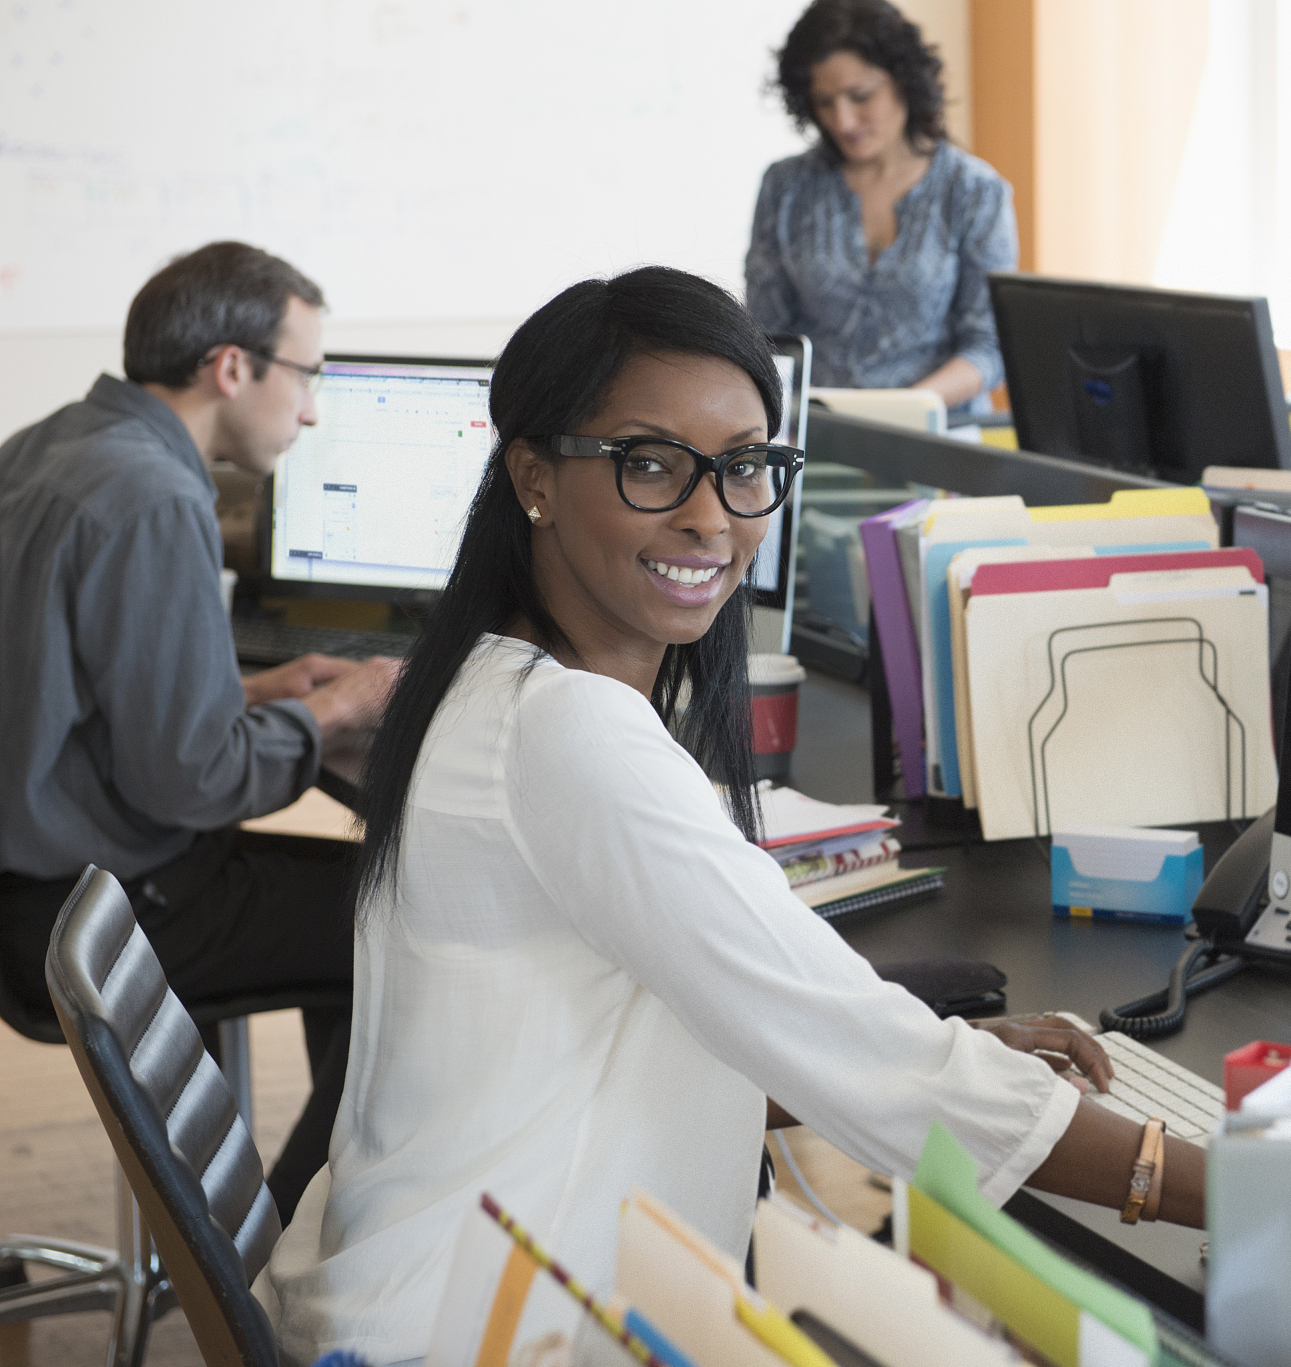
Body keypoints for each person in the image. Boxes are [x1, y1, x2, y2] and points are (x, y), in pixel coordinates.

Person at [258, 266, 1203, 1364]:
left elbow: (654, 1044)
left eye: (745, 466)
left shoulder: (480, 676)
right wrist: (1220, 1182)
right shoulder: (569, 732)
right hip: (485, 1332)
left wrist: (932, 1047)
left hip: (419, 1292)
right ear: (534, 477)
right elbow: (876, 1066)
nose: (710, 515)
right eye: (649, 463)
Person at [0, 241, 399, 1222]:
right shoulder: (156, 497)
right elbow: (195, 779)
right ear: (232, 367)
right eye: (305, 375)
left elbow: (68, 688)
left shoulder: (47, 444)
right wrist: (339, 706)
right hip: (98, 912)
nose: (310, 409)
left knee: (350, 913)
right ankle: (278, 1251)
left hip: (25, 895)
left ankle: (294, 1215)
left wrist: (250, 690)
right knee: (397, 920)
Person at [746, 0, 1016, 416]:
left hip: (938, 429)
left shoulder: (974, 191)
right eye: (824, 102)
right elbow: (767, 336)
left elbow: (989, 346)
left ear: (904, 81)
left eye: (861, 96)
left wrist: (908, 407)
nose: (843, 121)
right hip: (820, 430)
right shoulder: (786, 187)